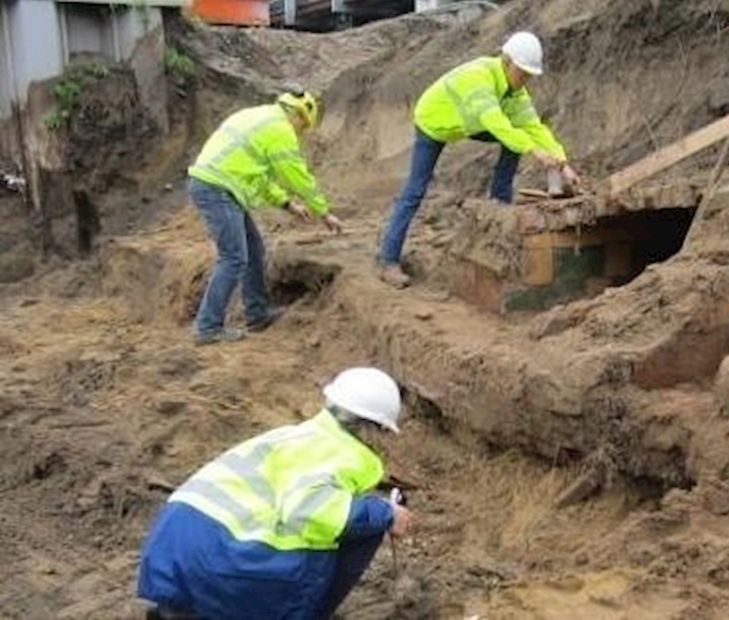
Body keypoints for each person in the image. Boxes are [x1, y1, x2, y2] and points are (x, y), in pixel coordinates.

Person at [137, 367, 413, 620]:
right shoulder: (343, 453)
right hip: (224, 567)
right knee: (365, 524)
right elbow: (308, 512)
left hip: (171, 550)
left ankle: (177, 611)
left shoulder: (294, 436)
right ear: (375, 428)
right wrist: (385, 513)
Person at [377, 31, 579, 288]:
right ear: (507, 62)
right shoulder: (480, 77)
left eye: (530, 76)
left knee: (518, 138)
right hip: (433, 123)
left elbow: (534, 128)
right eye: (522, 73)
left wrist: (563, 164)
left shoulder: (517, 93)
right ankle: (388, 261)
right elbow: (495, 123)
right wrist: (534, 151)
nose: (525, 80)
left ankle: (498, 207)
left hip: (467, 124)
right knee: (414, 192)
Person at [188, 88, 344, 344]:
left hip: (218, 185)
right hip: (218, 189)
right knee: (233, 258)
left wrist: (286, 203)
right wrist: (323, 212)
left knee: (253, 249)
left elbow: (257, 175)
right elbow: (297, 177)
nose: (300, 133)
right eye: (302, 127)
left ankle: (257, 314)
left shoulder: (257, 117)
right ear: (298, 115)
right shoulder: (280, 129)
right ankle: (207, 327)